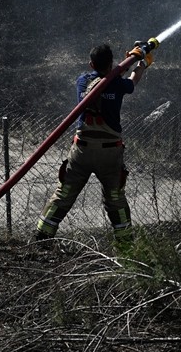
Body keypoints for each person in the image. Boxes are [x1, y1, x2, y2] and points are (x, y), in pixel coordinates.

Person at [35, 42, 153, 247]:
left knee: (64, 193)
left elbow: (103, 80)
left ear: (91, 64)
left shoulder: (82, 81)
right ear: (112, 63)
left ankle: (41, 239)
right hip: (110, 153)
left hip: (82, 150)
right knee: (115, 198)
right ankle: (126, 247)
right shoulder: (118, 84)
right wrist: (141, 63)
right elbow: (132, 81)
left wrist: (121, 66)